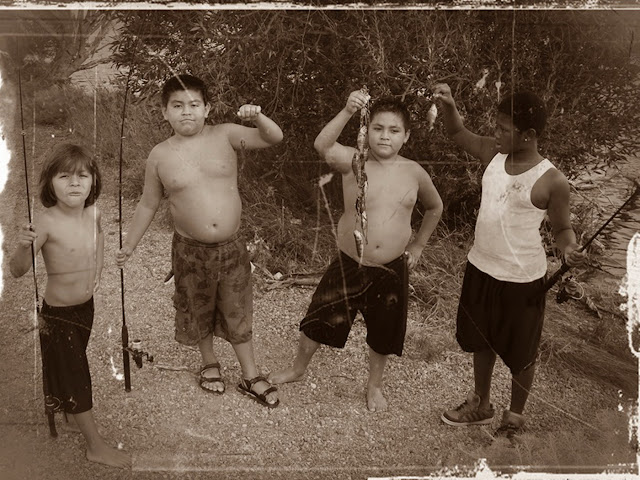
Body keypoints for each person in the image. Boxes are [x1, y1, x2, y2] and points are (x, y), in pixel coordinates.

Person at [115, 74, 283, 408]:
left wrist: (258, 117)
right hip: (189, 250)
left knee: (237, 308)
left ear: (207, 108)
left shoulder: (226, 135)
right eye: (177, 106)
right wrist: (130, 244)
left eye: (194, 104)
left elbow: (273, 137)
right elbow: (148, 203)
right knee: (197, 307)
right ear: (164, 112)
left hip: (231, 247)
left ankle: (250, 374)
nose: (187, 112)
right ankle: (209, 363)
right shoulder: (159, 155)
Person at [270, 91, 443, 412]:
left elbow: (435, 207)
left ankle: (374, 385)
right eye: (378, 128)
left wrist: (418, 245)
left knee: (384, 331)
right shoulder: (354, 161)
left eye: (394, 130)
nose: (385, 136)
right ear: (366, 130)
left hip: (391, 268)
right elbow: (322, 146)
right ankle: (297, 369)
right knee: (318, 318)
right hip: (349, 262)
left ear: (406, 136)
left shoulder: (415, 172)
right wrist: (348, 110)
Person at [432, 83, 587, 438]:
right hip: (481, 267)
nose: (496, 133)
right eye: (497, 126)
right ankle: (481, 403)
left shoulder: (552, 181)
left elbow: (562, 229)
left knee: (522, 353)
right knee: (481, 339)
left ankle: (514, 417)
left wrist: (569, 250)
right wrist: (450, 105)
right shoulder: (493, 153)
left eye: (504, 129)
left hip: (522, 279)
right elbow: (457, 132)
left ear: (528, 135)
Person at [10, 143, 131, 468]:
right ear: (50, 183)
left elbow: (100, 237)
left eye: (82, 176)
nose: (74, 183)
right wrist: (22, 247)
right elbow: (17, 271)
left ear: (94, 181)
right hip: (58, 315)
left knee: (69, 366)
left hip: (85, 309)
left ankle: (69, 409)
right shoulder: (46, 223)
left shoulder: (95, 213)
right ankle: (95, 446)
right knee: (77, 373)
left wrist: (100, 268)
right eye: (64, 176)